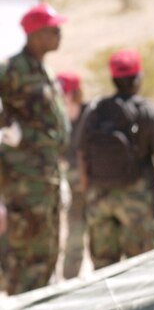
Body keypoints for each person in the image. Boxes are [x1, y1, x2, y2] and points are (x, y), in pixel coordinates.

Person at [76, 48, 154, 269]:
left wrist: (88, 192)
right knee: (144, 270)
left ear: (113, 78)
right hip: (137, 203)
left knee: (104, 272)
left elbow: (81, 155)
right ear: (139, 78)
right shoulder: (148, 112)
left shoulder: (94, 110)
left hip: (99, 200)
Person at [0, 2, 70, 295]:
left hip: (47, 179)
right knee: (26, 260)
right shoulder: (13, 68)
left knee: (48, 255)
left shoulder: (43, 70)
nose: (59, 34)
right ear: (36, 34)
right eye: (54, 29)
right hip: (24, 183)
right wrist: (8, 130)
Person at [57, 71, 87, 278]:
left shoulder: (91, 115)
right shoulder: (57, 120)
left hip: (96, 186)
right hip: (73, 188)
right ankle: (70, 282)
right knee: (74, 237)